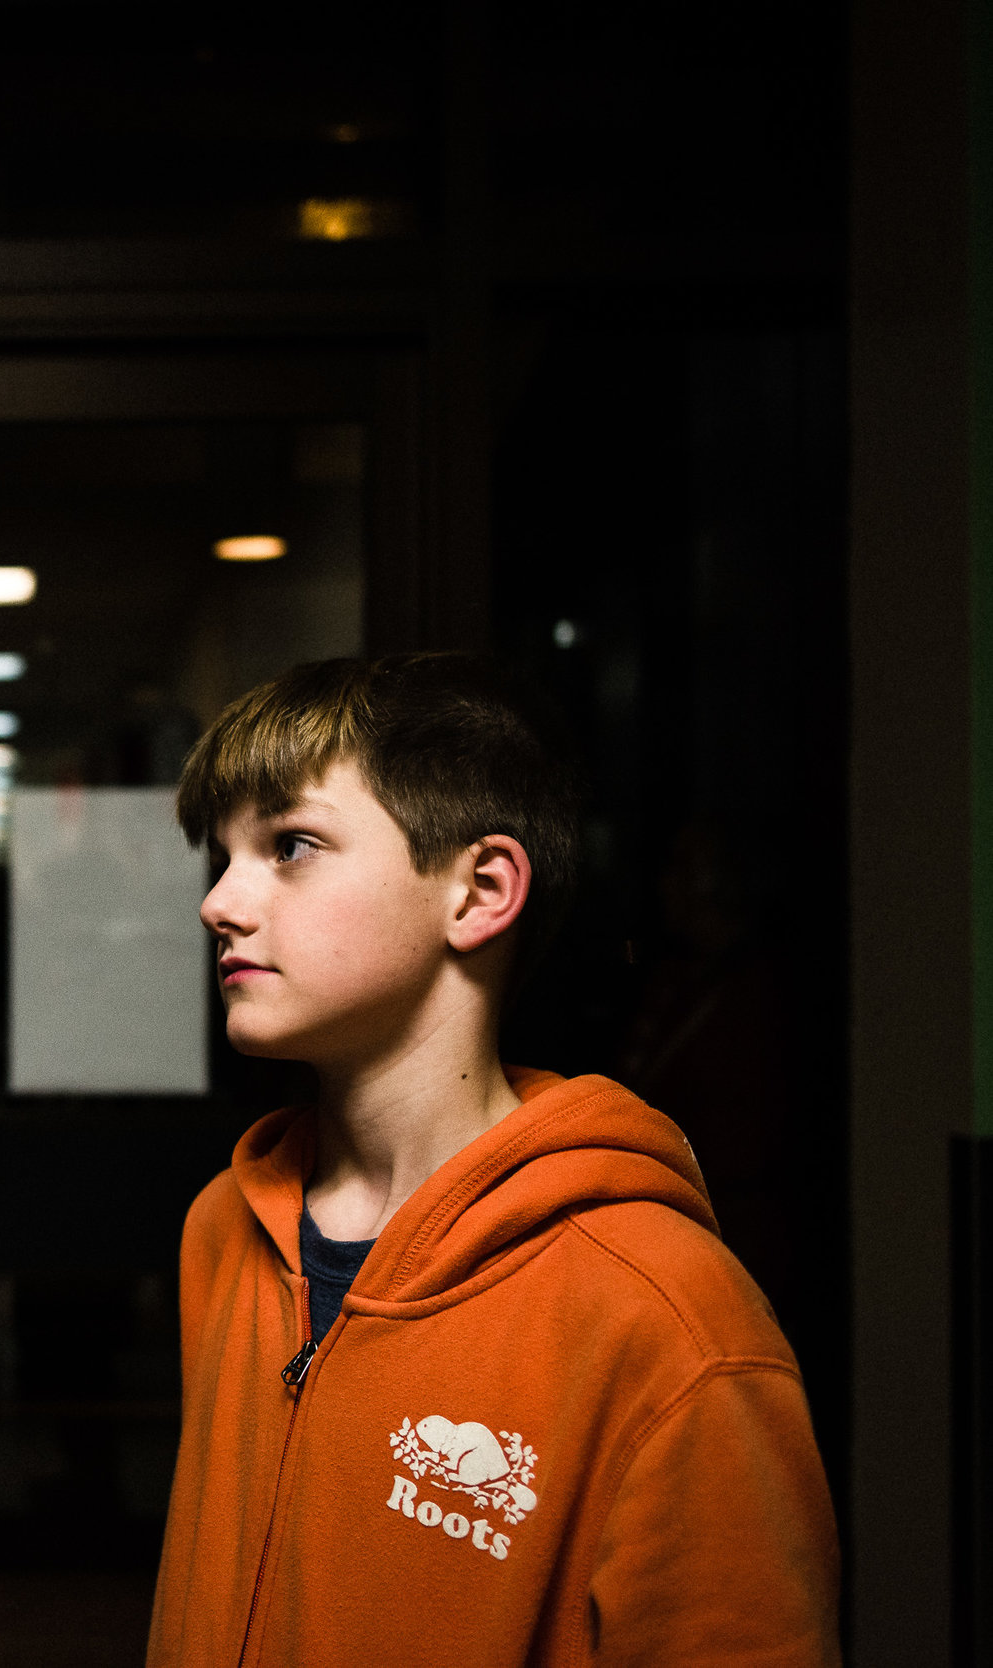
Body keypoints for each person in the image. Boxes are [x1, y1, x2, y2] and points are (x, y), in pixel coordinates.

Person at [146, 654, 836, 1666]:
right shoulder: (227, 1227)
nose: (219, 902)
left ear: (478, 890)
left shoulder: (666, 1319)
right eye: (223, 855)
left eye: (290, 845)